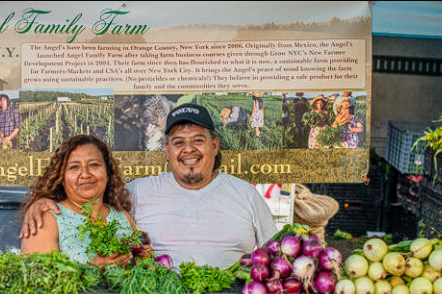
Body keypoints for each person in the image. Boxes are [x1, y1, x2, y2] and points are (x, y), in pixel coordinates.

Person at [21, 104, 277, 269]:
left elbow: (275, 259)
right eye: (178, 142)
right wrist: (40, 203)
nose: (188, 149)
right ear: (167, 150)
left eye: (198, 140)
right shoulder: (139, 192)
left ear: (215, 145)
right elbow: (83, 198)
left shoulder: (246, 195)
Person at [20, 134, 137, 267]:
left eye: (94, 165)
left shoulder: (124, 218)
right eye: (74, 167)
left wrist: (146, 261)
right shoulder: (46, 219)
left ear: (108, 173)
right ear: (61, 178)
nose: (85, 174)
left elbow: (142, 264)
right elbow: (37, 279)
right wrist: (92, 268)